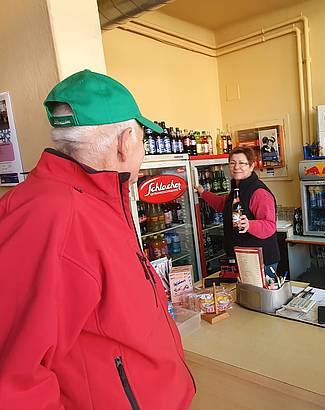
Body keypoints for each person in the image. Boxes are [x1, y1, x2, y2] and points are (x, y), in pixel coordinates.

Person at [0, 70, 195, 409]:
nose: (143, 151)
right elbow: (13, 378)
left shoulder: (98, 199)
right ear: (126, 142)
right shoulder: (53, 213)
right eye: (143, 140)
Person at [196, 146, 280, 278]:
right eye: (232, 163)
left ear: (252, 166)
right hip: (242, 258)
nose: (236, 167)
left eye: (242, 163)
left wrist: (249, 225)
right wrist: (203, 193)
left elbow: (270, 226)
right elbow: (223, 204)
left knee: (257, 297)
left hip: (261, 261)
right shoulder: (237, 188)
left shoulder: (259, 193)